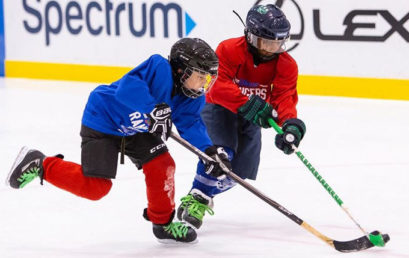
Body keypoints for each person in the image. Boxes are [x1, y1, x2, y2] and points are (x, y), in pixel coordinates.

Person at [7, 38, 232, 243]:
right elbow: (128, 88)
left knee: (163, 165)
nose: (203, 83)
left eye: (207, 77)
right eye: (200, 75)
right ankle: (41, 164)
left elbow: (191, 124)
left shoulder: (190, 98)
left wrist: (209, 151)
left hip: (137, 130)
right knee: (96, 188)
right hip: (104, 119)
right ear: (181, 70)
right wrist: (152, 109)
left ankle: (162, 224)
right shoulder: (159, 67)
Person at [177, 4, 307, 230]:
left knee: (239, 173)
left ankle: (200, 192)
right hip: (220, 108)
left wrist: (290, 125)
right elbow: (216, 87)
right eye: (267, 42)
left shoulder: (287, 65)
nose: (272, 48)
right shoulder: (228, 49)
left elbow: (284, 97)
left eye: (278, 43)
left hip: (252, 117)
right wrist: (248, 103)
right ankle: (198, 201)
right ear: (250, 35)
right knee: (221, 155)